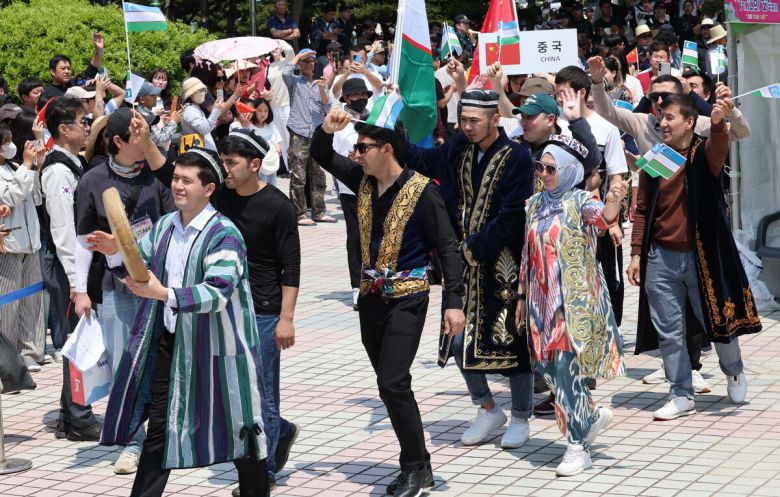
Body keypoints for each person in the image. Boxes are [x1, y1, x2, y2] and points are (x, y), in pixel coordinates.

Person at [90, 148, 270, 497]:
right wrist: (116, 248)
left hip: (219, 348)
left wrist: (165, 293)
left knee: (240, 429)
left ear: (209, 189)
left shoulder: (224, 233)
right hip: (172, 343)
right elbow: (138, 261)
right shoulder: (166, 225)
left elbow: (217, 291)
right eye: (175, 179)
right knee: (160, 427)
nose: (178, 186)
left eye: (187, 181)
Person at [312, 109, 466, 497]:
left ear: (387, 149)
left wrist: (453, 302)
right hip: (370, 300)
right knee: (389, 385)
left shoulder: (422, 190)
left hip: (408, 299)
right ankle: (418, 463)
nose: (356, 154)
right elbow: (321, 155)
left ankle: (415, 467)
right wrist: (326, 129)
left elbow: (447, 247)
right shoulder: (361, 181)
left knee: (393, 380)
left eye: (362, 148)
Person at [403, 82, 537, 450]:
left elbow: (512, 217)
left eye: (475, 120)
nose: (468, 126)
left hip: (502, 265)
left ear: (496, 119)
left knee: (512, 345)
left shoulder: (517, 157)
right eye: (463, 119)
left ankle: (522, 417)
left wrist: (469, 249)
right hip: (462, 268)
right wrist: (388, 132)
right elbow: (423, 162)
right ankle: (488, 408)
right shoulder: (460, 148)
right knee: (458, 339)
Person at [625, 93, 762, 420]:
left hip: (704, 256)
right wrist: (634, 254)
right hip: (661, 258)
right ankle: (681, 393)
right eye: (661, 117)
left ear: (689, 122)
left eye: (670, 117)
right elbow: (643, 207)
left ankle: (733, 371)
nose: (663, 122)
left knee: (718, 320)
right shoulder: (656, 156)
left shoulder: (703, 152)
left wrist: (717, 121)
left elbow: (720, 145)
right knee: (669, 331)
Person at [73, 107, 176, 474]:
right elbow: (82, 241)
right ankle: (133, 442)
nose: (145, 139)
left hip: (157, 285)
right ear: (117, 141)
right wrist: (79, 290)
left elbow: (170, 226)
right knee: (124, 365)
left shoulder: (158, 176)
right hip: (114, 286)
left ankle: (163, 433)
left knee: (160, 362)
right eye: (137, 134)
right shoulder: (93, 181)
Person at [516, 139, 628, 476]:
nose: (544, 174)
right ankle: (590, 416)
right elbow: (527, 254)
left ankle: (577, 445)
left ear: (568, 171)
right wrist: (521, 296)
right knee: (545, 368)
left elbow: (604, 219)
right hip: (539, 301)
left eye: (551, 169)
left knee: (565, 372)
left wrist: (613, 201)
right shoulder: (534, 204)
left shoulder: (581, 202)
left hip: (572, 301)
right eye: (541, 167)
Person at [215, 129, 301, 493]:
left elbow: (291, 266)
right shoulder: (219, 197)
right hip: (225, 308)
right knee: (228, 387)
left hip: (264, 313)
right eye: (223, 162)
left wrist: (286, 319)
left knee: (262, 390)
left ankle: (262, 472)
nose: (225, 170)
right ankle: (278, 429)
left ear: (254, 164)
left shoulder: (279, 206)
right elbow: (166, 172)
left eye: (231, 163)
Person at [39, 97, 102, 441]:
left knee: (78, 337)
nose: (88, 127)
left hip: (73, 266)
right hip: (65, 267)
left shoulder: (73, 162)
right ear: (63, 129)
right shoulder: (58, 171)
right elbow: (64, 232)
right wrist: (78, 285)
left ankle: (70, 413)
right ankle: (79, 418)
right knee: (76, 341)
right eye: (83, 121)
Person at [0, 126, 46, 372]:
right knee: (9, 304)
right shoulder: (15, 170)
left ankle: (31, 351)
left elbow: (35, 198)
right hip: (9, 245)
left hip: (30, 242)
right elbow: (9, 197)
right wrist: (28, 167)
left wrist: (35, 168)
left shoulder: (16, 168)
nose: (11, 145)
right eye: (5, 141)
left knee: (32, 300)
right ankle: (10, 357)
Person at [332, 78, 372, 310]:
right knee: (356, 237)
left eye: (363, 95)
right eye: (355, 96)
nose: (360, 99)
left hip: (376, 185)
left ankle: (375, 280)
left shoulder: (373, 118)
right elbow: (334, 158)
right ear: (346, 98)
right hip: (351, 190)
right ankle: (357, 286)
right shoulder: (341, 124)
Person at [281, 49, 334, 226]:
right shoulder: (295, 82)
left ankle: (319, 211)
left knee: (318, 174)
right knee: (298, 174)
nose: (309, 64)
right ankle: (300, 213)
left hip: (317, 132)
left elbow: (327, 108)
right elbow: (285, 72)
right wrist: (298, 57)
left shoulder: (322, 83)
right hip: (299, 131)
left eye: (311, 61)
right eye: (305, 61)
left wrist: (322, 88)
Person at [231, 98, 282, 186]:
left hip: (272, 159)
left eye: (266, 111)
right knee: (262, 184)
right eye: (260, 110)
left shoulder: (271, 125)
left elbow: (276, 138)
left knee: (273, 184)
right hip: (261, 162)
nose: (263, 114)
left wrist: (278, 147)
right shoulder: (250, 127)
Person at [180, 77, 240, 151]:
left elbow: (204, 127)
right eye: (199, 90)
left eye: (203, 90)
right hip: (197, 155)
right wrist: (216, 111)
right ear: (191, 94)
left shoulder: (194, 108)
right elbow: (204, 129)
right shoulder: (190, 110)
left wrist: (220, 122)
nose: (202, 93)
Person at [42, 33, 105, 100]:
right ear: (53, 71)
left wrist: (99, 51)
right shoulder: (47, 94)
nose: (67, 71)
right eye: (63, 68)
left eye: (69, 68)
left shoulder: (75, 83)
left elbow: (92, 69)